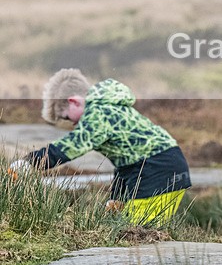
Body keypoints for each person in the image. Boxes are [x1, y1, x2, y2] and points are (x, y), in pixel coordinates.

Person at [7, 69, 191, 225]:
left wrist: (29, 164)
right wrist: (117, 198)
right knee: (136, 228)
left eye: (66, 117)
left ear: (74, 101)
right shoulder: (109, 108)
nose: (71, 124)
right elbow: (126, 163)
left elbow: (70, 146)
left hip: (158, 171)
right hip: (161, 166)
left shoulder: (97, 114)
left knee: (138, 233)